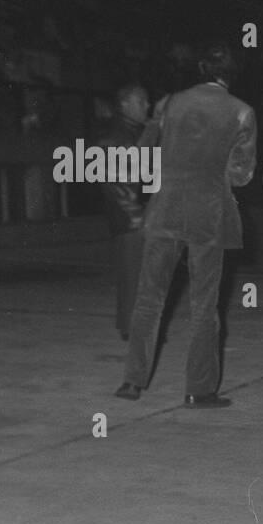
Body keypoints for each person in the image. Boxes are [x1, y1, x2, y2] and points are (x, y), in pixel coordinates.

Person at [115, 42, 256, 408]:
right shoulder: (242, 112)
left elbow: (143, 153)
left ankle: (132, 382)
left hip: (164, 210)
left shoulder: (172, 103)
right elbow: (241, 175)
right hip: (207, 215)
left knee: (149, 298)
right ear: (231, 75)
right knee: (204, 305)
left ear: (201, 70)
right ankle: (198, 389)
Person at [98, 82, 151, 340]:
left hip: (131, 214)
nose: (147, 106)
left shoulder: (129, 132)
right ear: (125, 104)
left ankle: (130, 325)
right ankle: (133, 328)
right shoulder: (119, 135)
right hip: (130, 217)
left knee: (134, 274)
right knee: (134, 274)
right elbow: (115, 180)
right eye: (141, 102)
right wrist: (135, 216)